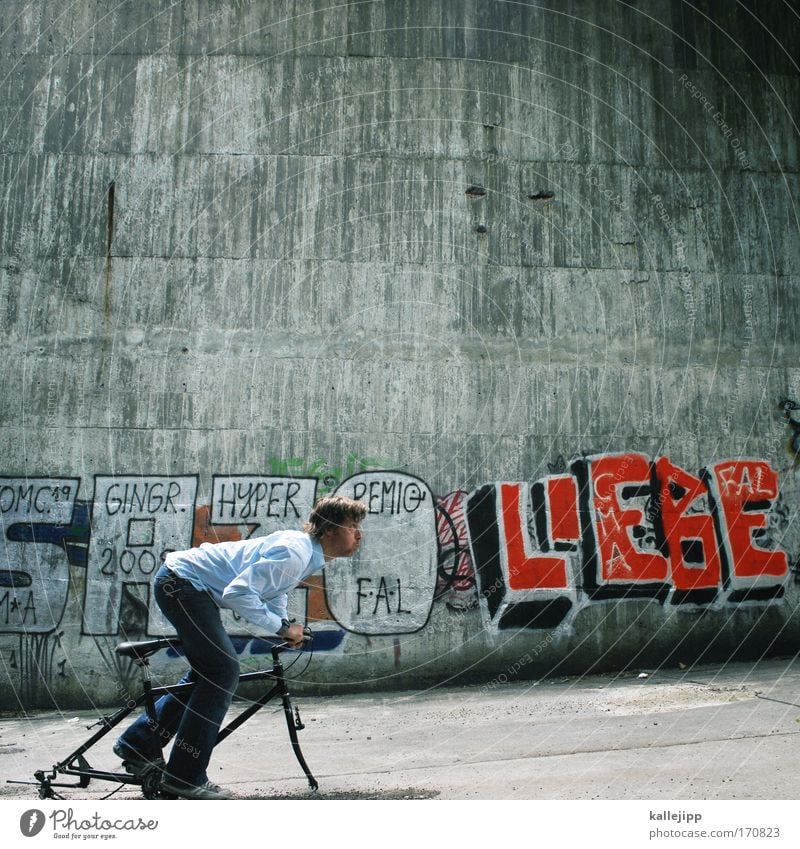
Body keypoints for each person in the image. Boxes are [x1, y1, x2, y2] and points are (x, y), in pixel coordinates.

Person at [113, 494, 366, 800]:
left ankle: (139, 742)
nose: (358, 533)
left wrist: (284, 624)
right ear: (328, 530)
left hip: (187, 584)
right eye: (352, 526)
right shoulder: (295, 552)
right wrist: (283, 628)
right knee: (222, 670)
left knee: (209, 672)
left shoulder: (304, 553)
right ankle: (184, 775)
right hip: (182, 582)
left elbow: (273, 591)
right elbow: (238, 592)